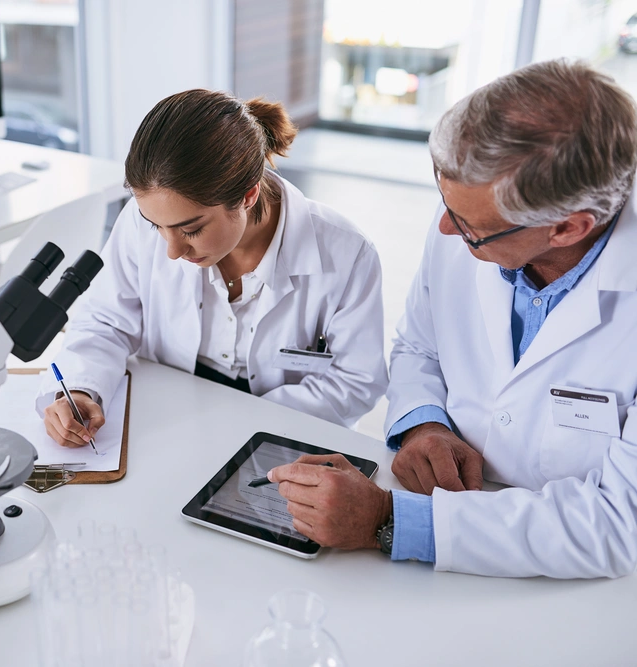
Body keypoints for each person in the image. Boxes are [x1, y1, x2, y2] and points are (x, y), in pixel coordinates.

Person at [268, 59, 637, 579]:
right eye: (445, 200)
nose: (445, 229)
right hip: (453, 514)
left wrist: (388, 520)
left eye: (469, 229)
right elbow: (421, 344)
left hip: (583, 576)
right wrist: (423, 424)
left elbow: (618, 523)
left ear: (568, 228)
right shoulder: (474, 211)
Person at [38, 89, 388, 446]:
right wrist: (82, 388)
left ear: (247, 196)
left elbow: (356, 380)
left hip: (285, 436)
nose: (171, 250)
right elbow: (105, 321)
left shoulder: (346, 252)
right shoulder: (143, 220)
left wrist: (240, 422)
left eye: (191, 229)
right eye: (155, 226)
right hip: (167, 422)